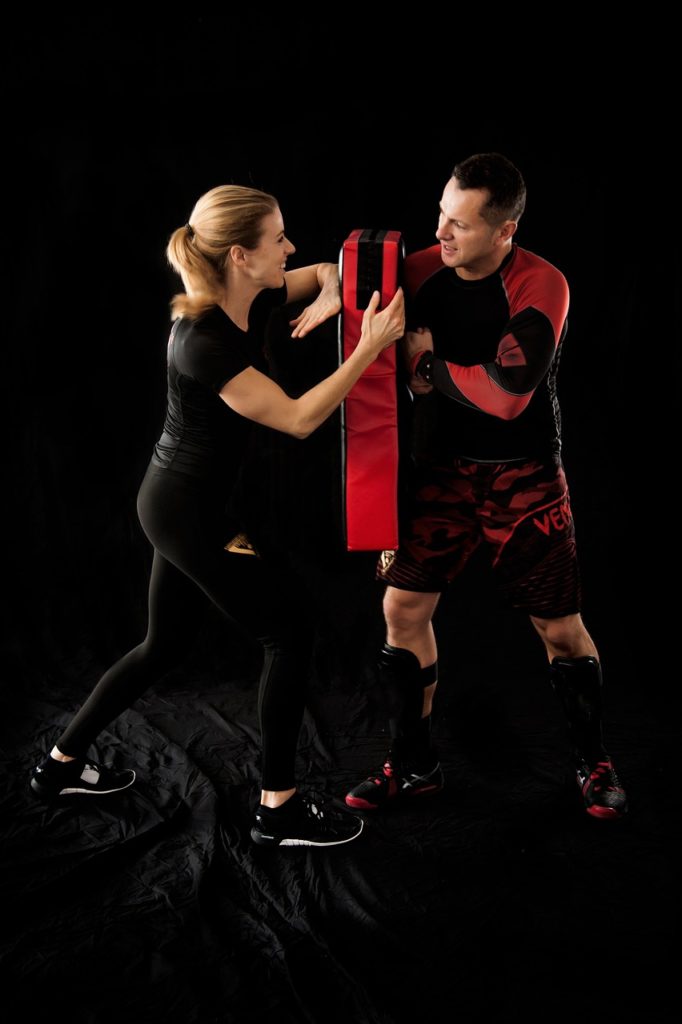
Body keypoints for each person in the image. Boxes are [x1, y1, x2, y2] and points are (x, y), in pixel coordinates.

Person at [30, 183, 405, 848]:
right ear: (240, 255)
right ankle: (277, 810)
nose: (291, 247)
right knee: (288, 633)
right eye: (278, 238)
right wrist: (366, 349)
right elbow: (298, 418)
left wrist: (328, 296)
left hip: (176, 501)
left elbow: (328, 270)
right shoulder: (203, 341)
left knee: (164, 645)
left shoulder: (250, 294)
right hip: (185, 513)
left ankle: (58, 767)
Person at [344, 153, 628, 821]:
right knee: (401, 611)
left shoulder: (542, 282)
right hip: (441, 470)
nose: (440, 234)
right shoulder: (424, 267)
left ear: (505, 231)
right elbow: (347, 275)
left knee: (559, 628)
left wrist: (426, 365)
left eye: (460, 225)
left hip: (523, 474)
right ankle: (413, 765)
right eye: (441, 216)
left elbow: (506, 395)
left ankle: (593, 760)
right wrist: (334, 291)